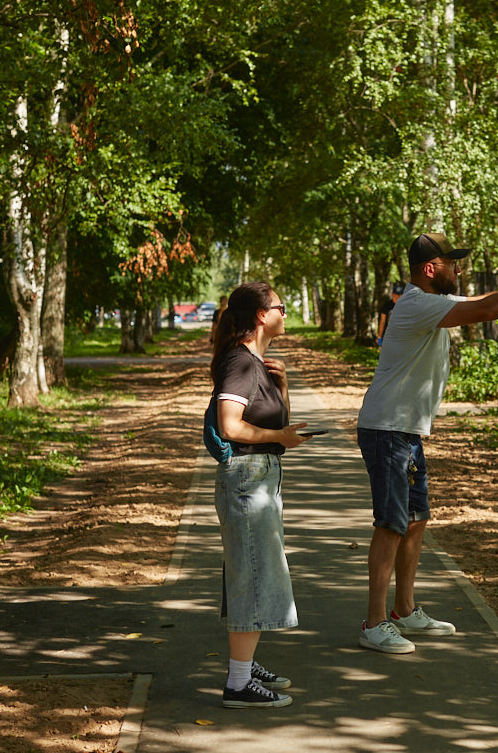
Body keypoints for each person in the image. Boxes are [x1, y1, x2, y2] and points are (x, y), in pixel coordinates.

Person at [356, 232, 498, 654]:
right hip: (387, 428)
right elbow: (488, 308)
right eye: (452, 263)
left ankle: (404, 610)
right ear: (431, 269)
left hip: (405, 429)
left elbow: (485, 298)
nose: (459, 269)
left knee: (414, 519)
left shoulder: (431, 304)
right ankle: (374, 623)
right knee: (391, 524)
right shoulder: (416, 304)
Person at [209, 282, 311, 706]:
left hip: (260, 476)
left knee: (253, 572)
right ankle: (237, 684)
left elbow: (273, 419)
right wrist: (280, 437)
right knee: (251, 576)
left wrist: (282, 386)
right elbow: (230, 426)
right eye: (280, 307)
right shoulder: (240, 362)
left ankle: (245, 667)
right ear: (259, 316)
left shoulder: (257, 363)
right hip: (248, 477)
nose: (285, 313)